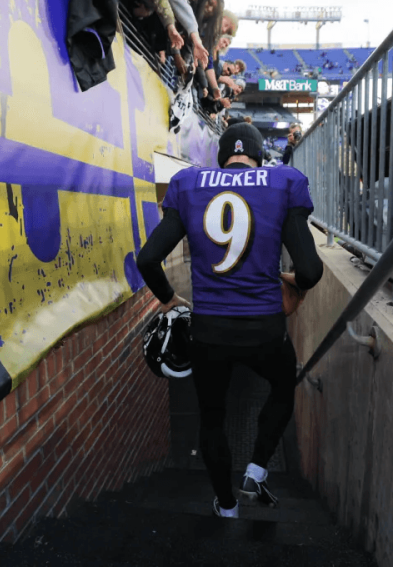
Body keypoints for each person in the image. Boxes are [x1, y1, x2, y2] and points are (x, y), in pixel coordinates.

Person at [136, 123, 324, 518]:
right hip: (265, 328)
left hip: (210, 332)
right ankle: (257, 467)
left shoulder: (189, 183)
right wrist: (289, 282)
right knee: (282, 386)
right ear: (257, 154)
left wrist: (170, 300)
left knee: (212, 418)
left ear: (222, 156)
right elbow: (309, 270)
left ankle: (226, 506)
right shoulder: (283, 181)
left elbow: (148, 260)